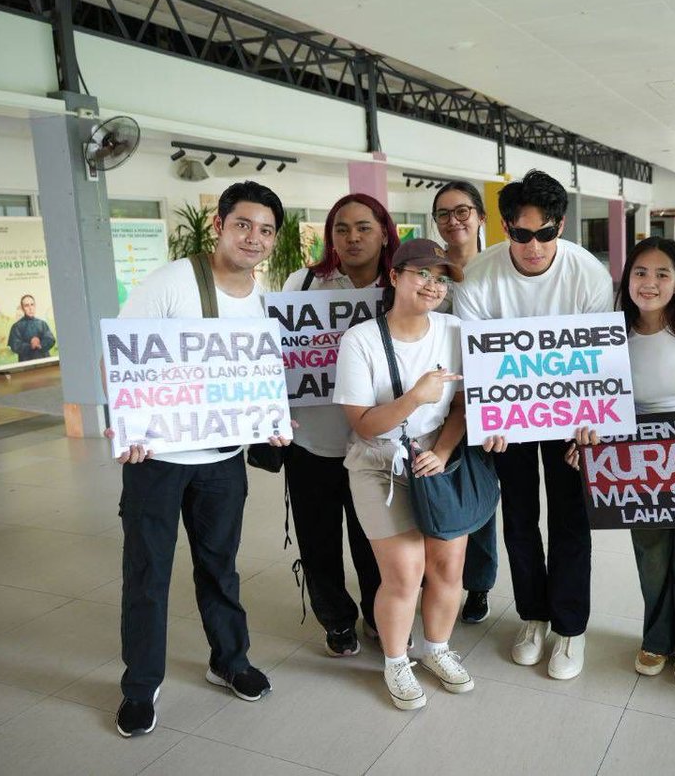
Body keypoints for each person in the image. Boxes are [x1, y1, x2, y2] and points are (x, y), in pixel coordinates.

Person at [110, 181, 291, 737]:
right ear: (219, 224)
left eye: (265, 230)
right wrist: (130, 427)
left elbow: (259, 379)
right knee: (148, 573)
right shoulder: (170, 283)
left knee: (220, 566)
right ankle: (140, 686)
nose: (253, 238)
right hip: (158, 458)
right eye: (243, 224)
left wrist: (273, 421)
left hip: (221, 460)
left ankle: (228, 660)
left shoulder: (265, 301)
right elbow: (121, 356)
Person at [453, 169, 613, 680]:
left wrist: (591, 419)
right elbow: (476, 355)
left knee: (571, 519)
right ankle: (533, 616)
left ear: (560, 227)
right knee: (519, 519)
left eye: (546, 234)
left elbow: (595, 358)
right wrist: (488, 415)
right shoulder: (479, 274)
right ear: (504, 228)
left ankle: (570, 626)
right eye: (521, 235)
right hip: (509, 418)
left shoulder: (588, 273)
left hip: (570, 419)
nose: (534, 247)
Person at [565, 237, 675, 687]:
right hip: (637, 463)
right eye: (641, 272)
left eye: (663, 273)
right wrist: (584, 434)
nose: (650, 283)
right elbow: (592, 397)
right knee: (653, 555)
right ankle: (658, 636)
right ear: (627, 279)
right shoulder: (609, 333)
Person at [334, 238, 472, 711]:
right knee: (404, 573)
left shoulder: (454, 330)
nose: (432, 285)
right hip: (379, 462)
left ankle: (437, 648)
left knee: (448, 565)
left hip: (438, 458)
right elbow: (363, 423)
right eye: (420, 274)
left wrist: (445, 449)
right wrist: (415, 397)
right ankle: (396, 659)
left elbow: (460, 405)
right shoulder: (361, 340)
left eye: (440, 278)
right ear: (394, 277)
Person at [280, 193, 397, 657]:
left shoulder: (397, 286)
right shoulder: (304, 283)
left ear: (384, 232)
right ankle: (336, 620)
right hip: (312, 440)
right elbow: (277, 351)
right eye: (342, 229)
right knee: (318, 539)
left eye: (363, 227)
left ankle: (379, 613)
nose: (352, 237)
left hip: (376, 440)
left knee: (376, 539)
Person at [432, 181, 495, 624]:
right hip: (435, 398)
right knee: (436, 488)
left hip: (491, 397)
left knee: (479, 494)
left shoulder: (498, 269)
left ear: (480, 217)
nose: (454, 221)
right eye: (443, 214)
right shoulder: (427, 268)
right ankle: (435, 577)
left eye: (462, 211)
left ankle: (478, 584)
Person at [7, 294, 55, 361]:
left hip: (44, 359)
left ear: (35, 306)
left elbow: (50, 339)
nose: (30, 308)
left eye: (32, 304)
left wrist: (40, 344)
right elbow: (15, 345)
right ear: (22, 308)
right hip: (26, 361)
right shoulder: (16, 326)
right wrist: (30, 346)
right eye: (26, 305)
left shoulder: (42, 324)